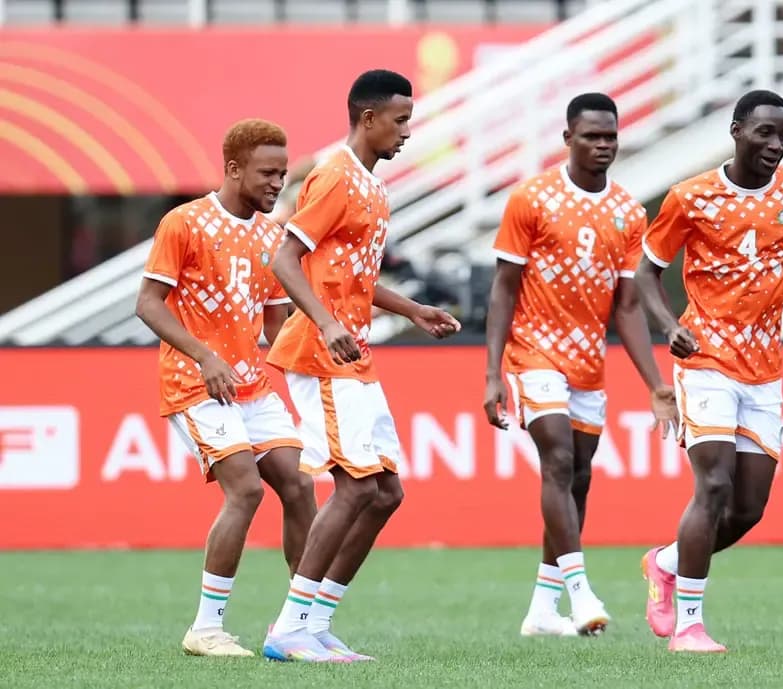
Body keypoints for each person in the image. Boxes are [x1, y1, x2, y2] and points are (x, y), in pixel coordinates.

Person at [261, 69, 462, 663]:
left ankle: (316, 622)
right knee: (354, 486)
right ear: (368, 118)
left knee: (384, 493)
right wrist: (326, 323)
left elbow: (355, 277)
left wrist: (414, 309)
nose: (406, 131)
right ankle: (290, 628)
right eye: (399, 120)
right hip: (321, 352)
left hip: (352, 353)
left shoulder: (372, 187)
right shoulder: (335, 175)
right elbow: (284, 256)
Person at [634, 89, 783, 653]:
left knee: (748, 508)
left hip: (764, 367)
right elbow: (645, 275)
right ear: (736, 130)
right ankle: (691, 626)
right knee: (714, 482)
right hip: (704, 359)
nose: (776, 143)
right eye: (765, 132)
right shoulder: (691, 196)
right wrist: (667, 326)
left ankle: (666, 562)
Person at [483, 93, 677, 638]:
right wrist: (494, 372)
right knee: (559, 462)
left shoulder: (628, 212)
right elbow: (503, 288)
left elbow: (629, 305)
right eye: (591, 136)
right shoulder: (533, 198)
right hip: (533, 352)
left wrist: (657, 384)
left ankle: (542, 610)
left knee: (580, 478)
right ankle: (580, 591)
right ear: (568, 139)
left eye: (610, 136)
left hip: (588, 361)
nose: (603, 145)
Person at [135, 119, 316, 657]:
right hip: (194, 381)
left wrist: (323, 343)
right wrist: (205, 354)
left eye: (282, 173)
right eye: (267, 172)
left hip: (250, 385)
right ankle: (206, 629)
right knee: (247, 488)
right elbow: (147, 304)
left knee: (300, 485)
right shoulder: (184, 223)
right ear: (233, 168)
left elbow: (274, 326)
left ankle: (299, 625)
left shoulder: (270, 236)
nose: (277, 183)